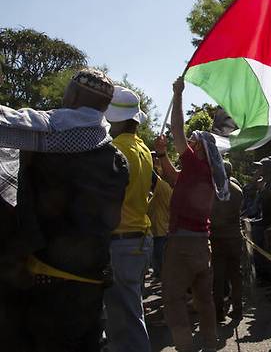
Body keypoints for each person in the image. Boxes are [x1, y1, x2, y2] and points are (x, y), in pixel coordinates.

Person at [0, 68, 129, 352]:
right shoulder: (118, 160)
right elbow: (113, 219)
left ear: (71, 95)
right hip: (92, 286)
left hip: (45, 288)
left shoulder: (44, 136)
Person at [156, 76, 229, 352]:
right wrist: (162, 156)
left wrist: (178, 95)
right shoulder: (204, 172)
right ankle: (210, 345)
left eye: (194, 142)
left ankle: (185, 348)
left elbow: (176, 130)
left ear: (201, 149)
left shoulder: (196, 164)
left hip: (183, 244)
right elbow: (175, 180)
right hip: (201, 244)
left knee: (173, 298)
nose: (190, 144)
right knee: (204, 299)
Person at [103, 85, 154, 352]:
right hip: (138, 240)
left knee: (126, 320)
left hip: (122, 242)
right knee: (130, 313)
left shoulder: (115, 149)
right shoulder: (143, 148)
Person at [210, 161, 244, 322]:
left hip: (219, 238)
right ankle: (238, 309)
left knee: (219, 276)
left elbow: (212, 215)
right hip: (235, 237)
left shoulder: (216, 191)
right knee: (235, 275)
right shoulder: (237, 190)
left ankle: (218, 311)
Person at [147, 158, 172, 280]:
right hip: (156, 230)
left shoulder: (164, 187)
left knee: (159, 255)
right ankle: (158, 274)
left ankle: (163, 276)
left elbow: (153, 177)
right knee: (156, 256)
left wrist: (145, 162)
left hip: (161, 230)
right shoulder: (155, 193)